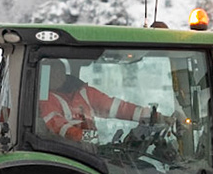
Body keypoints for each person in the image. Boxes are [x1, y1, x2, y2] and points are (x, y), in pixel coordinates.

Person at [39, 59, 167, 144]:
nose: (55, 76)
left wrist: (154, 117)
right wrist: (88, 138)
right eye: (51, 73)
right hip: (65, 152)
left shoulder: (83, 92)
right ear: (44, 76)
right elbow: (58, 127)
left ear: (63, 74)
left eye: (58, 72)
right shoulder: (45, 99)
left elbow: (116, 108)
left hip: (88, 151)